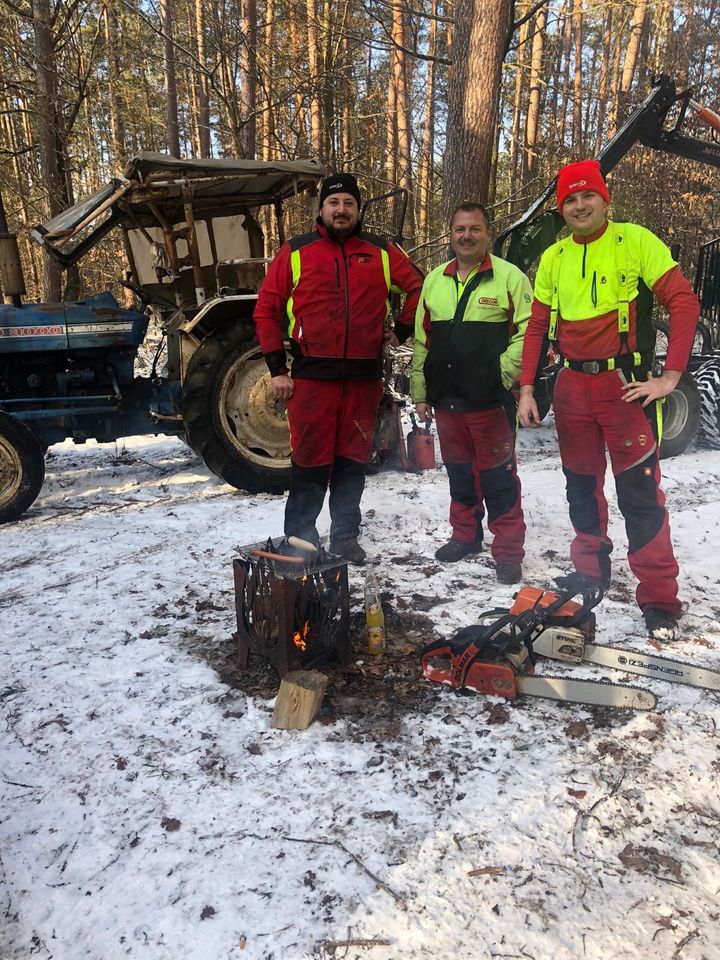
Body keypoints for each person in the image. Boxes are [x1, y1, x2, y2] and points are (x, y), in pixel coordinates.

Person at [518, 159, 699, 640]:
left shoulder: (636, 241)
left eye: (587, 196)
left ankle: (660, 599)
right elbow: (537, 326)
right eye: (570, 200)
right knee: (580, 488)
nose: (579, 206)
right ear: (562, 209)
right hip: (572, 387)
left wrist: (671, 376)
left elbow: (684, 301)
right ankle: (590, 574)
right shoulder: (554, 258)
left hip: (625, 387)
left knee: (639, 495)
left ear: (605, 199)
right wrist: (528, 388)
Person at [253, 172, 424, 564]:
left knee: (351, 462)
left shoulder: (380, 252)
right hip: (313, 378)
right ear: (322, 209)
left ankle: (346, 536)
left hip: (363, 379)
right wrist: (278, 369)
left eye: (348, 203)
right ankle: (301, 539)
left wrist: (400, 329)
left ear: (358, 209)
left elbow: (418, 287)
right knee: (310, 461)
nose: (341, 209)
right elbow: (266, 308)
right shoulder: (297, 251)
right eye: (334, 203)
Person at [411, 203, 531, 584]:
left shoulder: (509, 278)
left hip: (489, 403)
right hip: (448, 403)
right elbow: (421, 342)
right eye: (460, 229)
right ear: (451, 235)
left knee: (498, 478)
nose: (467, 235)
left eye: (474, 229)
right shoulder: (434, 281)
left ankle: (509, 552)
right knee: (460, 475)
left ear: (487, 234)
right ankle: (465, 536)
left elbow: (529, 334)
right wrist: (421, 392)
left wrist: (500, 373)